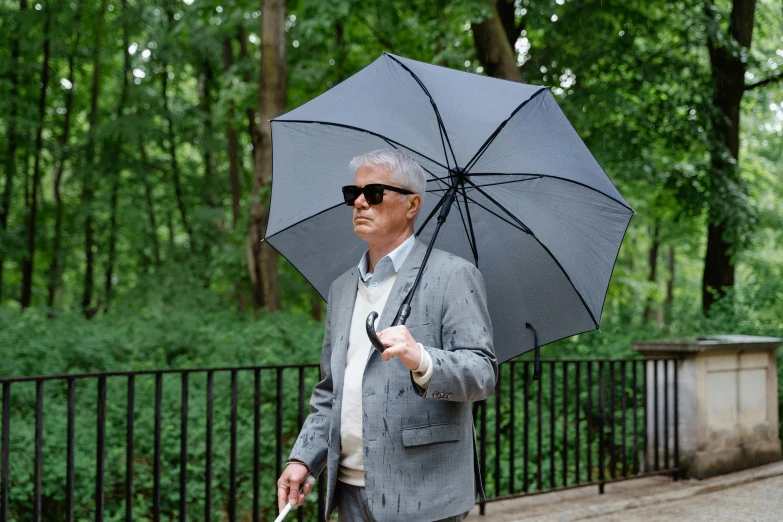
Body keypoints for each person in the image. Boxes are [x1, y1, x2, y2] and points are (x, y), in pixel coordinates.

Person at [276, 149, 498, 522]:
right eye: (353, 193)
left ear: (412, 205)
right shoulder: (342, 288)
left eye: (374, 192)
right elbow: (332, 389)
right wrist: (304, 458)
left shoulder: (453, 275)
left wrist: (423, 360)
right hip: (347, 491)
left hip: (425, 494)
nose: (359, 202)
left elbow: (483, 373)